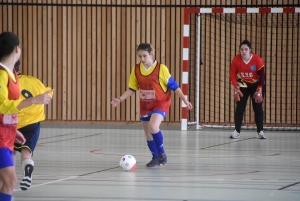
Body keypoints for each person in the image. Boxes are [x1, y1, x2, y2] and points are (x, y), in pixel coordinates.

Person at [111, 43, 193, 168]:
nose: (142, 59)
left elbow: (175, 87)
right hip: (145, 104)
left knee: (153, 126)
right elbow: (132, 89)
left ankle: (162, 154)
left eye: (144, 56)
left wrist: (185, 100)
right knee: (148, 133)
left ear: (151, 54)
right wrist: (119, 99)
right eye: (140, 57)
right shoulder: (136, 69)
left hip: (161, 102)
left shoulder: (161, 69)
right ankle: (155, 157)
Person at [0, 31, 53, 201]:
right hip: (1, 137)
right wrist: (32, 100)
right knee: (10, 180)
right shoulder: (2, 75)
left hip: (7, 134)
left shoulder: (11, 75)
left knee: (8, 182)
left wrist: (12, 128)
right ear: (17, 49)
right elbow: (2, 105)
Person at [13, 60, 53, 191]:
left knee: (10, 153)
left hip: (13, 122)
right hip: (32, 123)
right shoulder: (34, 81)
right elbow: (47, 93)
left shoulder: (7, 83)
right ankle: (27, 172)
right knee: (26, 152)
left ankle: (9, 181)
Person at [229, 40, 266, 139]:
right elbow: (232, 74)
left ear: (250, 50)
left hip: (256, 85)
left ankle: (260, 131)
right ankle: (237, 131)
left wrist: (259, 89)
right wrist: (236, 87)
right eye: (242, 49)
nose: (243, 51)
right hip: (243, 85)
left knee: (257, 108)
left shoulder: (257, 60)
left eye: (246, 49)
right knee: (239, 108)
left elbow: (262, 77)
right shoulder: (236, 60)